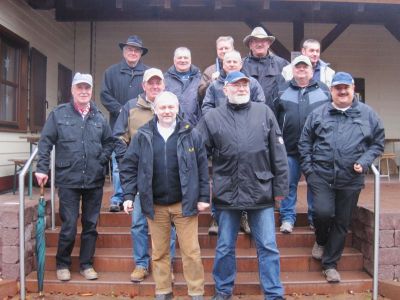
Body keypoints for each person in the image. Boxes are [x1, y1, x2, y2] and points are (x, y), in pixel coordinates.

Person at [197, 71, 288, 300]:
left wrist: (280, 189)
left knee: (267, 246)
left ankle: (274, 294)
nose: (241, 88)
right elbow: (197, 155)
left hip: (261, 190)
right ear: (224, 89)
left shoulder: (264, 112)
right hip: (227, 192)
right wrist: (200, 192)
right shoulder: (212, 117)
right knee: (225, 246)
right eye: (236, 85)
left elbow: (279, 153)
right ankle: (223, 291)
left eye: (244, 85)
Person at [120, 91, 210, 300]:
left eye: (171, 107)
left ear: (177, 108)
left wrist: (204, 197)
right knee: (159, 253)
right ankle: (162, 291)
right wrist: (128, 195)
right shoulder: (143, 135)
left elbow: (203, 167)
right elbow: (129, 167)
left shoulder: (191, 134)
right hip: (155, 205)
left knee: (191, 253)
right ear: (155, 109)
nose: (167, 111)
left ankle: (196, 292)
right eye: (163, 107)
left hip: (184, 204)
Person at [298, 72, 385, 283]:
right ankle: (320, 239)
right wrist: (309, 170)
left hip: (351, 178)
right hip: (320, 174)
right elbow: (304, 143)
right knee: (323, 213)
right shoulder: (318, 114)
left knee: (342, 221)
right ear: (331, 90)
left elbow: (377, 143)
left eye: (346, 87)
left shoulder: (368, 114)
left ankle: (330, 265)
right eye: (338, 88)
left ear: (353, 88)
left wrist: (364, 162)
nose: (343, 91)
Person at [35, 73, 114, 282]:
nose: (83, 91)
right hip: (68, 179)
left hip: (94, 179)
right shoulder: (59, 115)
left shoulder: (99, 117)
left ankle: (86, 264)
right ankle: (63, 264)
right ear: (72, 90)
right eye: (79, 87)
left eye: (87, 88)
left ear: (91, 91)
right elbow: (45, 143)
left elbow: (109, 142)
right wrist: (41, 168)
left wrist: (101, 160)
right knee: (69, 225)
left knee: (90, 225)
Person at [113, 68, 176, 282]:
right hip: (141, 177)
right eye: (151, 83)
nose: (155, 86)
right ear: (144, 85)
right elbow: (119, 138)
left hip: (166, 178)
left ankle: (167, 266)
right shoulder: (130, 107)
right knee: (139, 223)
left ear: (164, 85)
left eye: (159, 83)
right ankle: (141, 264)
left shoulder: (171, 107)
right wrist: (129, 160)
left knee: (169, 224)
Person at [202, 50, 265, 235]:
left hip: (247, 139)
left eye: (235, 61)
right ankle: (216, 216)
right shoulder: (214, 86)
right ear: (222, 63)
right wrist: (216, 123)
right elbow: (206, 106)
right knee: (219, 180)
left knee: (245, 178)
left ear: (241, 64)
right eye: (227, 61)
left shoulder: (252, 84)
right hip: (220, 140)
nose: (231, 64)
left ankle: (244, 217)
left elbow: (261, 104)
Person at [273, 55, 330, 234]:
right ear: (293, 70)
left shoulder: (324, 91)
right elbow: (273, 119)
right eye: (298, 67)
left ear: (311, 70)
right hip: (288, 149)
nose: (302, 70)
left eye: (305, 67)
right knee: (288, 184)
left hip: (316, 150)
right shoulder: (281, 90)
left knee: (315, 184)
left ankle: (314, 218)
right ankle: (287, 218)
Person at [100, 35, 149, 212]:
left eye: (136, 50)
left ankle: (140, 195)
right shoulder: (111, 72)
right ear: (124, 51)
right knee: (119, 163)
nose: (133, 52)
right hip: (119, 127)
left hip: (142, 129)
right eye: (129, 49)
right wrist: (122, 110)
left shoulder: (148, 74)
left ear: (141, 53)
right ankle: (118, 197)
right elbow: (104, 95)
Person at [242, 27, 289, 111]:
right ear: (250, 45)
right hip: (247, 114)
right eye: (255, 41)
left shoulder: (282, 64)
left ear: (268, 44)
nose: (259, 44)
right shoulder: (241, 65)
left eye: (263, 41)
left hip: (274, 115)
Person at [164, 47, 202, 126]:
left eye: (185, 58)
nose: (183, 60)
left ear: (190, 60)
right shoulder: (165, 80)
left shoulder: (200, 79)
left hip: (194, 127)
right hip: (171, 126)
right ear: (174, 60)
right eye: (179, 58)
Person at [198, 36, 235, 101]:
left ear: (233, 49)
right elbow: (200, 95)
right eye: (220, 49)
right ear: (217, 50)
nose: (223, 51)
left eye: (226, 48)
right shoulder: (209, 71)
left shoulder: (242, 67)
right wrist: (211, 82)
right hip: (217, 109)